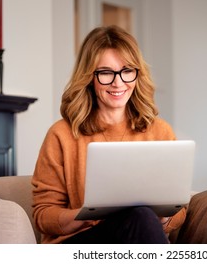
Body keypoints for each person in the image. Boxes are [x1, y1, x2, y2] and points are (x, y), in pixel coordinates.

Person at [32, 25, 186, 244]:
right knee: (140, 217)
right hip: (80, 242)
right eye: (105, 72)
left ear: (137, 74)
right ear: (88, 77)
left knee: (141, 216)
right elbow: (43, 215)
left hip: (139, 234)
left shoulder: (160, 131)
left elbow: (178, 210)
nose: (118, 82)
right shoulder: (61, 134)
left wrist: (161, 217)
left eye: (127, 71)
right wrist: (86, 214)